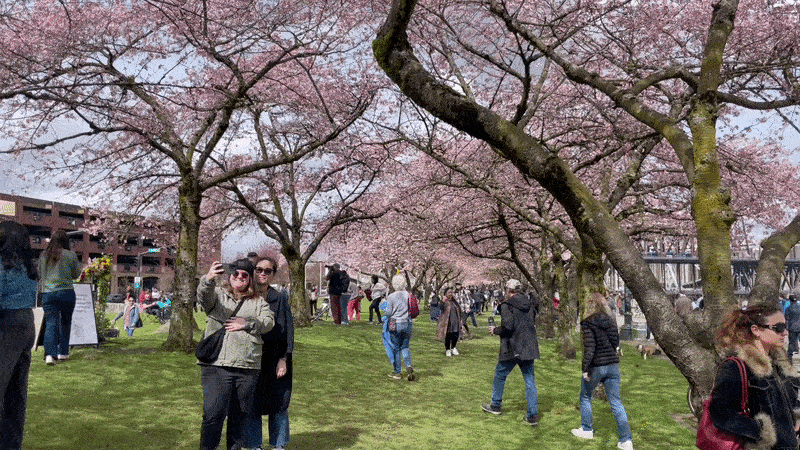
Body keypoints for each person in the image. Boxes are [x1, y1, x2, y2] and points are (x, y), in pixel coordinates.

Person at [197, 259, 275, 450]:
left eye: (245, 275)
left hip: (247, 368)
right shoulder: (218, 296)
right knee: (213, 415)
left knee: (240, 417)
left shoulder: (258, 302)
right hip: (217, 366)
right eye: (236, 274)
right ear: (230, 277)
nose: (239, 277)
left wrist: (246, 323)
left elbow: (268, 323)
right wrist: (208, 279)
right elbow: (203, 297)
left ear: (250, 279)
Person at [708, 304, 799, 449]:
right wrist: (761, 431)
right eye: (779, 328)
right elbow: (721, 413)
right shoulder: (736, 366)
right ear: (756, 330)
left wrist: (796, 415)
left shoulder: (779, 364)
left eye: (785, 327)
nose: (786, 332)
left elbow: (787, 403)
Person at [233, 256, 294, 450]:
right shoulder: (244, 296)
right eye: (259, 269)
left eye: (268, 271)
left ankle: (278, 444)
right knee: (251, 402)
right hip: (251, 357)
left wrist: (283, 358)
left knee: (279, 402)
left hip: (275, 357)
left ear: (273, 274)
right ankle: (253, 445)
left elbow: (287, 330)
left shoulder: (279, 298)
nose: (262, 274)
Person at [570, 292, 633, 450]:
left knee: (585, 395)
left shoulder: (587, 323)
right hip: (612, 364)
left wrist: (585, 369)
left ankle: (586, 429)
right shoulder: (611, 321)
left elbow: (589, 349)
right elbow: (615, 342)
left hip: (597, 365)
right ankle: (626, 440)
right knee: (616, 402)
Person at [481, 279, 540, 426]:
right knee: (530, 381)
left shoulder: (507, 305)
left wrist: (495, 330)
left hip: (512, 347)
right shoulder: (530, 304)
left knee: (500, 375)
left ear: (509, 291)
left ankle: (495, 405)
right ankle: (532, 415)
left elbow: (508, 327)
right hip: (528, 347)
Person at [0, 221, 38, 450]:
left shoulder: (2, 267)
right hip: (26, 323)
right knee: (16, 393)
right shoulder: (28, 267)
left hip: (6, 325)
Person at [38, 229, 80, 365]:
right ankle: (63, 352)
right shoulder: (71, 255)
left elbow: (40, 274)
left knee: (51, 322)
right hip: (67, 292)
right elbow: (76, 275)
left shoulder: (43, 255)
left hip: (48, 293)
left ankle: (50, 354)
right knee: (66, 322)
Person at [384, 275, 415, 381]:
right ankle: (408, 366)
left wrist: (385, 316)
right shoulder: (408, 295)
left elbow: (388, 312)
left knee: (396, 348)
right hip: (407, 323)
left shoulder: (391, 297)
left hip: (395, 323)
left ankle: (397, 372)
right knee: (405, 346)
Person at [435, 287, 463, 356]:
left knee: (455, 334)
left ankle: (453, 347)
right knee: (448, 335)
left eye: (451, 292)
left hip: (456, 320)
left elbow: (459, 310)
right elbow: (439, 308)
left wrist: (461, 320)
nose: (450, 294)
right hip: (447, 321)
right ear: (446, 294)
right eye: (449, 292)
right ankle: (447, 349)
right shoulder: (444, 301)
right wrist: (442, 301)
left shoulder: (454, 301)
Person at [785, 295, 800, 363]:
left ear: (790, 300)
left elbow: (787, 319)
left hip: (792, 328)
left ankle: (789, 360)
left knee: (791, 344)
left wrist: (786, 328)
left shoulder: (788, 308)